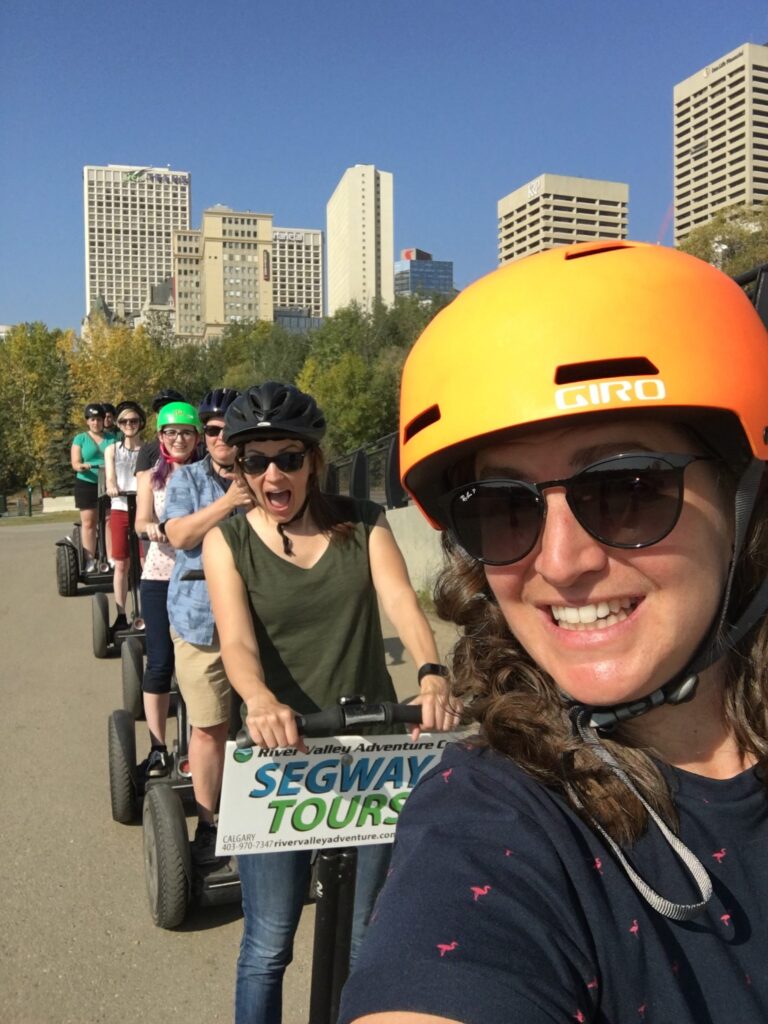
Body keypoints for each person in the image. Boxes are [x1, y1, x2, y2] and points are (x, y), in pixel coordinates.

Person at [339, 240, 768, 1024]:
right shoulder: (485, 822)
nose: (562, 564)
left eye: (627, 489)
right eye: (504, 509)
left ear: (745, 496)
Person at [203, 381, 460, 1024]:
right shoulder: (227, 542)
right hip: (281, 755)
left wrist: (431, 673)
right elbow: (236, 641)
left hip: (367, 750)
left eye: (288, 458)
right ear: (241, 469)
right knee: (268, 942)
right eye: (256, 461)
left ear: (313, 461)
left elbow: (400, 601)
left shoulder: (362, 523)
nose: (273, 475)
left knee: (367, 934)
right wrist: (258, 699)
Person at [164, 387, 251, 863]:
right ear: (204, 436)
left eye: (229, 431)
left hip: (257, 620)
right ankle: (209, 820)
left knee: (268, 719)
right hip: (201, 622)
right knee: (210, 727)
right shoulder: (187, 479)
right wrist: (230, 501)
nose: (221, 438)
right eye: (213, 430)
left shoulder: (262, 475)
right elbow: (179, 534)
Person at [135, 401, 202, 777]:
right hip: (160, 577)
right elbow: (140, 520)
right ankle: (158, 747)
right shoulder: (150, 477)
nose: (179, 439)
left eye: (187, 432)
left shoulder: (207, 474)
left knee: (201, 662)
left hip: (201, 576)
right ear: (161, 436)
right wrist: (152, 528)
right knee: (161, 662)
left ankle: (203, 742)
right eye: (172, 432)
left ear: (196, 437)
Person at [104, 401, 146, 635]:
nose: (129, 425)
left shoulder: (149, 449)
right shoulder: (112, 450)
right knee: (121, 563)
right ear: (118, 424)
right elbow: (110, 476)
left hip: (144, 508)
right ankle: (121, 614)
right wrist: (112, 486)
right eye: (124, 421)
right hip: (120, 507)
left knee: (146, 562)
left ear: (140, 422)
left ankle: (149, 611)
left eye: (134, 420)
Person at [70, 402, 110, 572]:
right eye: (92, 419)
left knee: (109, 521)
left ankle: (112, 558)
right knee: (88, 523)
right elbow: (75, 462)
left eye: (99, 419)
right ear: (87, 421)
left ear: (103, 421)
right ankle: (89, 560)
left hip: (108, 482)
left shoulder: (112, 438)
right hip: (87, 483)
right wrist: (81, 466)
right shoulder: (80, 438)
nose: (96, 423)